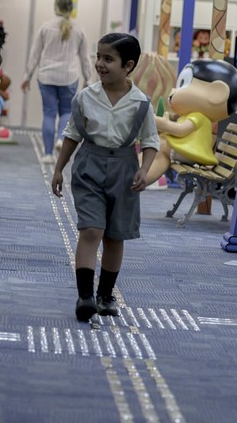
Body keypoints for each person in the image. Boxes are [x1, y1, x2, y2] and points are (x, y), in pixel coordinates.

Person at [51, 33, 159, 321]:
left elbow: (150, 142)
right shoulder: (85, 97)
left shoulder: (141, 103)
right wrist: (59, 168)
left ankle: (105, 294)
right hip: (89, 165)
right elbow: (72, 134)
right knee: (91, 230)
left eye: (108, 59)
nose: (100, 63)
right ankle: (85, 297)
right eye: (98, 56)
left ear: (128, 66)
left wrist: (144, 170)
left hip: (124, 170)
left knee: (114, 236)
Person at [22, 0, 92, 164]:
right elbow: (85, 58)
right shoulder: (79, 30)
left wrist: (27, 76)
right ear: (71, 9)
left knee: (49, 113)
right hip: (69, 77)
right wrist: (88, 78)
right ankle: (61, 138)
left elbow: (35, 54)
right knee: (67, 112)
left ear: (55, 7)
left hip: (46, 77)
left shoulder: (45, 28)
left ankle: (47, 154)